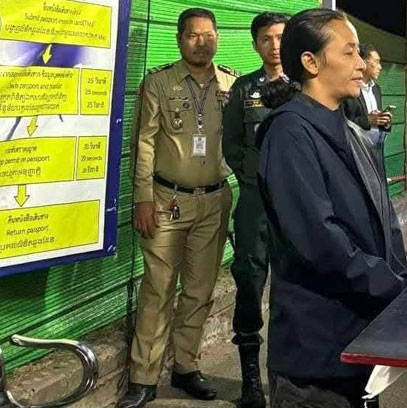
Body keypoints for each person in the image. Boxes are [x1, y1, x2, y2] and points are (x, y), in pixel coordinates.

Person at [255, 9, 407, 408]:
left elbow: (384, 219)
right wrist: (389, 285)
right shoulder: (289, 132)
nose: (361, 64)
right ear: (311, 62)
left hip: (360, 339)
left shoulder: (352, 131)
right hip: (316, 357)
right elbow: (319, 240)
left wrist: (398, 280)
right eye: (349, 52)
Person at [120, 8, 239, 408]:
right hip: (165, 200)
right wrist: (142, 197)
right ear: (179, 39)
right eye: (193, 35)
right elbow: (143, 142)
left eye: (209, 35)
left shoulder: (232, 83)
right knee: (157, 288)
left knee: (199, 290)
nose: (202, 42)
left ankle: (186, 367)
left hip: (215, 199)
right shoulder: (159, 82)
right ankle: (143, 378)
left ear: (217, 37)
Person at [222, 11, 287, 408]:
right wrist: (253, 177)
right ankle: (251, 382)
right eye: (266, 38)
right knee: (248, 283)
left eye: (281, 37)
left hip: (296, 205)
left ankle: (284, 377)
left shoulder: (306, 84)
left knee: (293, 289)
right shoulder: (244, 89)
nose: (275, 46)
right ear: (255, 44)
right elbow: (231, 144)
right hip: (255, 204)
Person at [342, 43, 391, 144]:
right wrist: (368, 120)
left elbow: (377, 121)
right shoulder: (349, 89)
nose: (380, 67)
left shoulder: (376, 89)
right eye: (376, 62)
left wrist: (384, 121)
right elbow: (343, 122)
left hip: (377, 144)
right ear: (363, 63)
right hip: (357, 145)